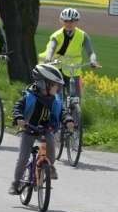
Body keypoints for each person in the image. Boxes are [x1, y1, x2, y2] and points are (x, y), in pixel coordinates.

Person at [8, 64, 74, 195]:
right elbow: (17, 107)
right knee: (23, 157)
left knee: (51, 148)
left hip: (45, 130)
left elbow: (62, 112)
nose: (58, 88)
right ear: (44, 85)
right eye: (55, 85)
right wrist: (19, 117)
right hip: (29, 130)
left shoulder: (54, 100)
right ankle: (16, 182)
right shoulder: (30, 97)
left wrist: (68, 120)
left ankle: (50, 166)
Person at [42, 8, 100, 96]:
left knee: (76, 97)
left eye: (72, 21)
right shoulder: (57, 35)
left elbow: (90, 52)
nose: (69, 24)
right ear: (62, 21)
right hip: (57, 66)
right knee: (55, 95)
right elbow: (52, 48)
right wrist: (48, 58)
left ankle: (75, 105)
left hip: (73, 69)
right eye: (66, 21)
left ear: (76, 22)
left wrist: (93, 61)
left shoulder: (82, 35)